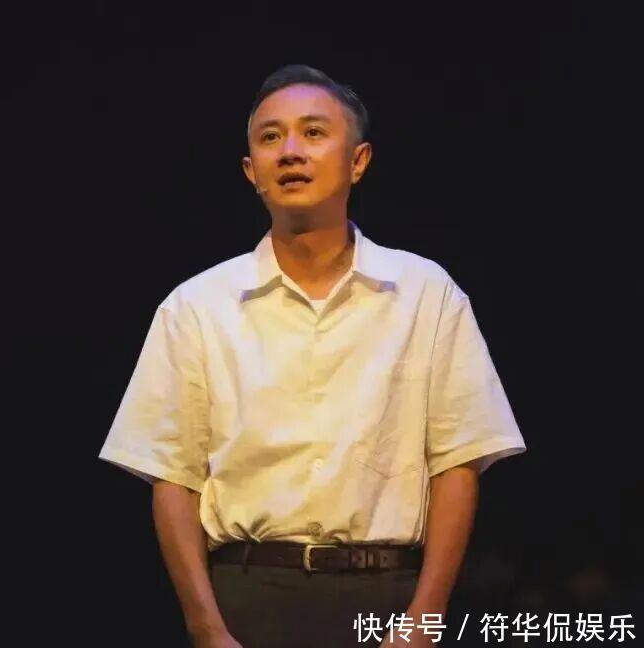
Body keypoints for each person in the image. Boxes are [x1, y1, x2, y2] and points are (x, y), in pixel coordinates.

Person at [97, 64, 526, 648]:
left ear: (359, 160)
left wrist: (423, 619)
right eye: (270, 137)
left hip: (387, 595)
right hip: (248, 596)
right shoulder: (196, 307)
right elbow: (174, 477)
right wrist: (207, 629)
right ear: (250, 170)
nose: (290, 152)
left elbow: (457, 461)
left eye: (314, 132)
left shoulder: (426, 294)